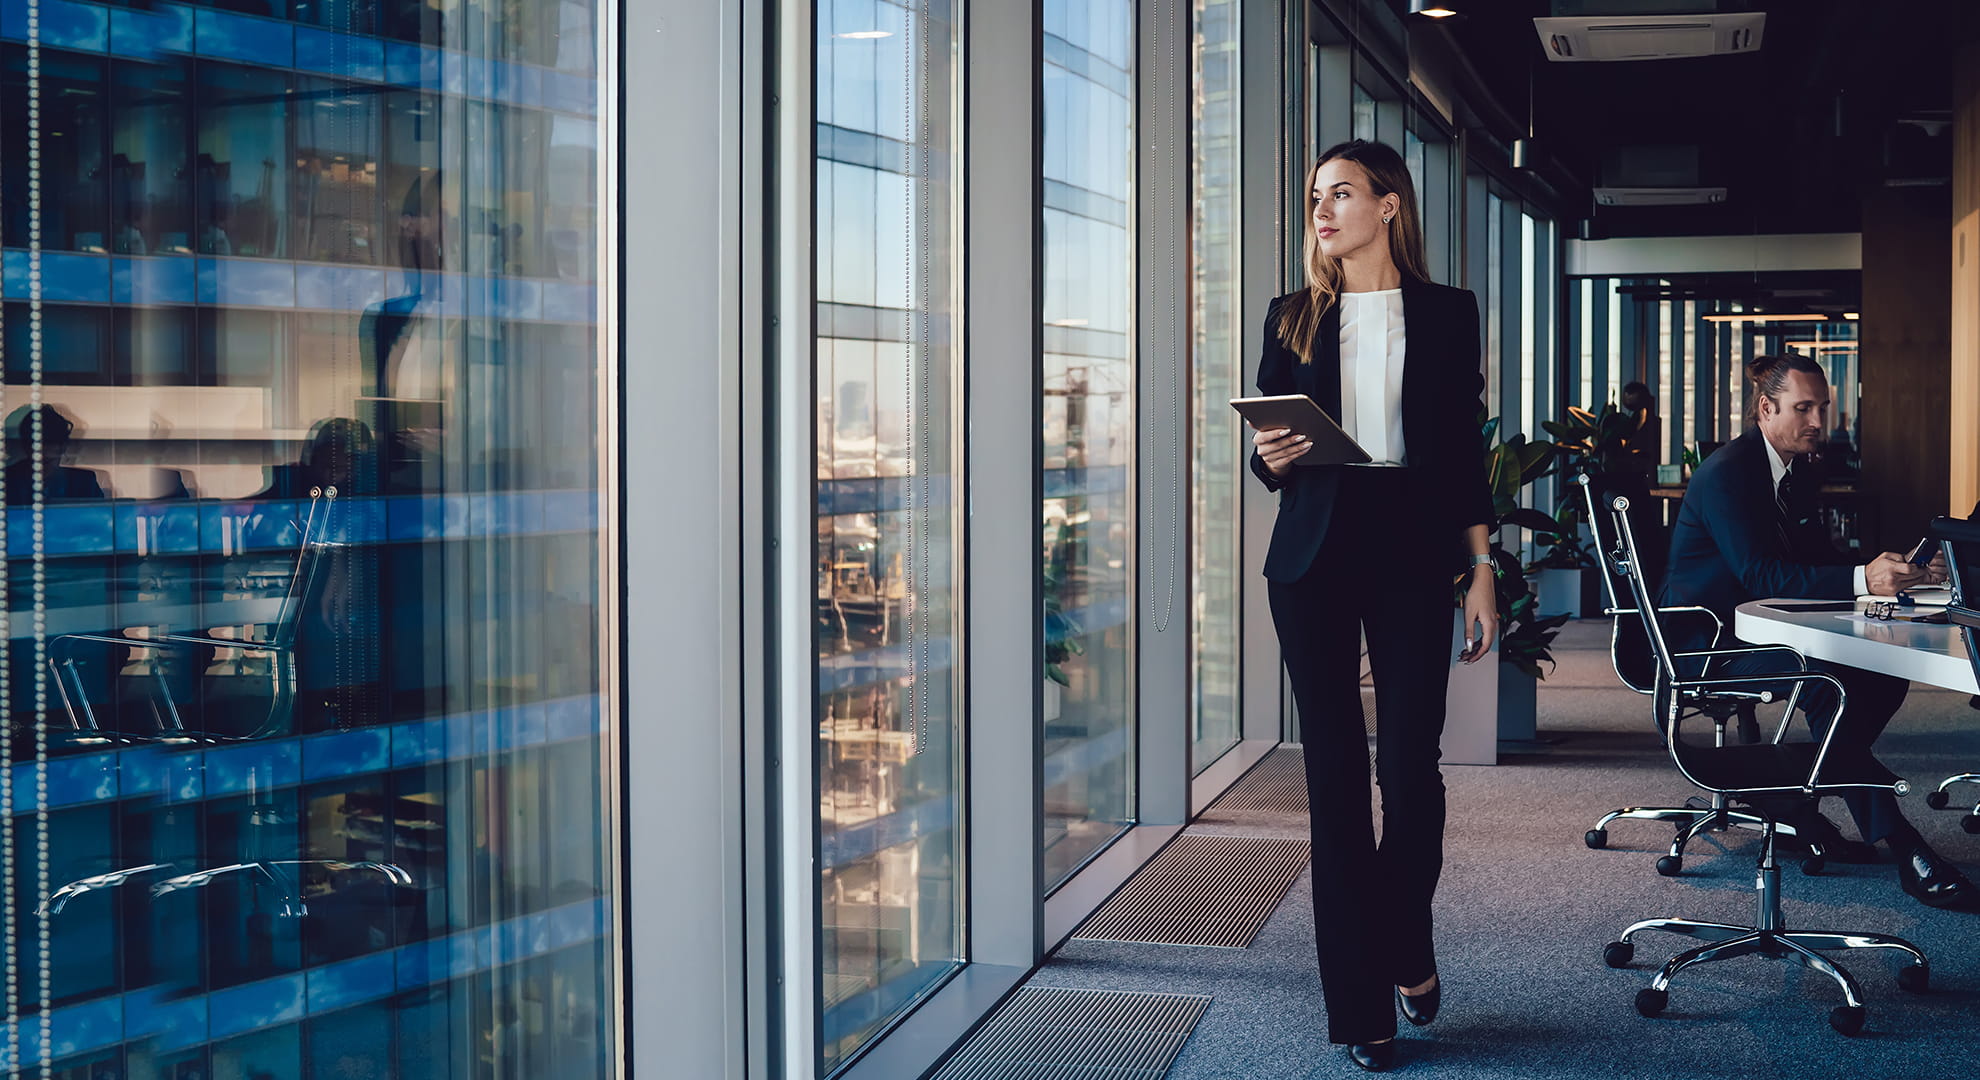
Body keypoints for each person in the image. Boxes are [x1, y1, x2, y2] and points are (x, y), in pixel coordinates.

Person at [1249, 139, 1496, 1073]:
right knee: (1335, 788)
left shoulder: (1446, 314)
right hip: (1313, 558)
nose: (1322, 209)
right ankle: (1361, 1010)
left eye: (1341, 193)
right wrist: (1268, 456)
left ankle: (1407, 939)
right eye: (1315, 195)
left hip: (1409, 550)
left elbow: (1464, 451)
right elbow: (1271, 448)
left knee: (1411, 769)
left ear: (1388, 205)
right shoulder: (1292, 317)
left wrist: (1480, 569)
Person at [1659, 353, 1974, 909]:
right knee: (1831, 679)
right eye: (1802, 408)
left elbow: (1814, 557)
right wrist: (1860, 577)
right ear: (1765, 408)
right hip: (1706, 645)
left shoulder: (1798, 471)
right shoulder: (1728, 473)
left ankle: (1794, 801)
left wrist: (1901, 573)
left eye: (1822, 408)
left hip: (1764, 630)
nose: (1816, 421)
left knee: (1879, 677)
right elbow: (1760, 573)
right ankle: (1905, 847)